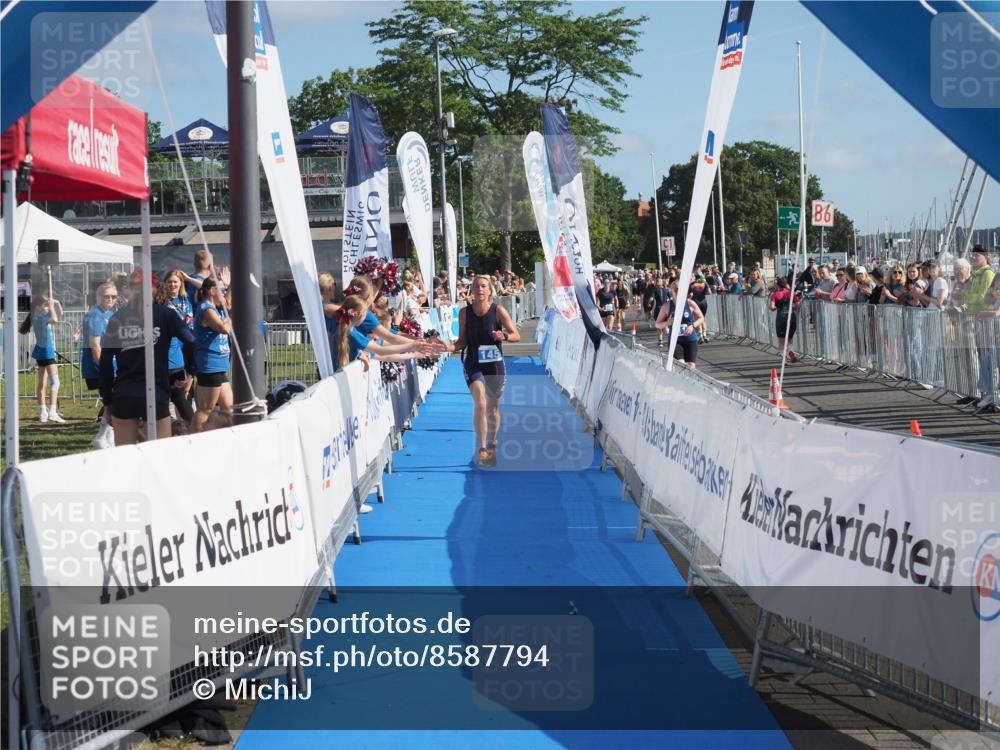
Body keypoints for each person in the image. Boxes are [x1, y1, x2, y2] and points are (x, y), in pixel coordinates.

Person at [99, 273, 195, 445]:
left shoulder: (117, 317)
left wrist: (108, 400)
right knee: (160, 456)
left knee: (126, 456)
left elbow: (105, 363)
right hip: (155, 392)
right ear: (155, 289)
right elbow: (190, 340)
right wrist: (189, 371)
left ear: (130, 290)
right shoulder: (166, 314)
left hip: (125, 393)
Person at [445, 275, 520, 467]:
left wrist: (503, 335)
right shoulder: (464, 313)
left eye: (483, 286)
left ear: (490, 291)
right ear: (472, 291)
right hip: (473, 362)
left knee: (493, 407)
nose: (479, 289)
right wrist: (449, 347)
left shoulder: (498, 311)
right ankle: (482, 449)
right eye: (476, 286)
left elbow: (516, 335)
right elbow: (461, 341)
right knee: (480, 403)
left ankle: (492, 443)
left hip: (494, 364)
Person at [80, 282, 118, 446]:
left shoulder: (110, 312)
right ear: (98, 297)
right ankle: (102, 436)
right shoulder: (95, 315)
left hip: (111, 364)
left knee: (114, 400)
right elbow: (95, 344)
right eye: (106, 296)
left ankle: (107, 435)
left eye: (113, 296)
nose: (110, 299)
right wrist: (104, 368)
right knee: (113, 400)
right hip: (99, 366)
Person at [193, 278, 233, 432]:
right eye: (221, 290)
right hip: (210, 366)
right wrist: (229, 319)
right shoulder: (206, 309)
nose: (223, 294)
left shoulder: (215, 307)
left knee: (229, 407)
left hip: (219, 367)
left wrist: (231, 284)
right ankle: (194, 439)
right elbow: (223, 328)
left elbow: (227, 304)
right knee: (205, 409)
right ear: (212, 291)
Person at [156, 270, 196, 426]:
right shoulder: (161, 307)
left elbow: (190, 333)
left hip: (180, 354)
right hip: (169, 356)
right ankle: (185, 427)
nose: (172, 285)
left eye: (176, 282)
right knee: (177, 397)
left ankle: (186, 427)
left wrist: (188, 278)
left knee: (181, 396)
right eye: (169, 282)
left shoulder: (186, 301)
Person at [20, 295, 65, 423]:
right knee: (55, 382)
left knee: (42, 383)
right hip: (47, 352)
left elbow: (60, 314)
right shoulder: (40, 317)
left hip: (41, 351)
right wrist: (51, 307)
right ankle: (52, 412)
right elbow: (55, 319)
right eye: (44, 305)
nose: (47, 307)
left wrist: (55, 302)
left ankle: (43, 412)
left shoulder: (37, 316)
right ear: (39, 307)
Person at [656, 280, 704, 367]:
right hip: (676, 341)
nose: (679, 292)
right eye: (676, 290)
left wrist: (692, 326)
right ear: (672, 291)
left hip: (691, 339)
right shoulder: (667, 306)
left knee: (691, 366)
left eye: (681, 290)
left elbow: (701, 318)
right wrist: (667, 322)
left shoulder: (690, 303)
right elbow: (657, 324)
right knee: (681, 365)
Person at [770, 276, 800, 363]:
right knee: (790, 337)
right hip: (791, 316)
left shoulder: (775, 294)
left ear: (778, 285)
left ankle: (784, 358)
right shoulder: (791, 293)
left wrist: (775, 307)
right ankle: (791, 350)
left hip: (781, 317)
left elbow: (772, 307)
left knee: (781, 340)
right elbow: (798, 305)